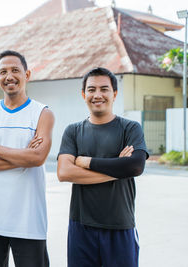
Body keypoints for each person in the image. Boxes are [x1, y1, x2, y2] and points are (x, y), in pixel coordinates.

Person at [0, 50, 55, 267]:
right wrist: (22, 156)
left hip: (29, 220)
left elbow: (37, 158)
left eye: (15, 70)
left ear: (27, 74)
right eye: (3, 71)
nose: (9, 76)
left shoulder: (42, 113)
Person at [57, 67, 149, 267]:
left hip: (120, 226)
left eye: (104, 89)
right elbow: (64, 172)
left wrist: (86, 162)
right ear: (83, 94)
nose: (97, 95)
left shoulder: (130, 128)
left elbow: (135, 166)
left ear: (114, 94)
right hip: (81, 226)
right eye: (91, 90)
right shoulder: (73, 131)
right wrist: (118, 169)